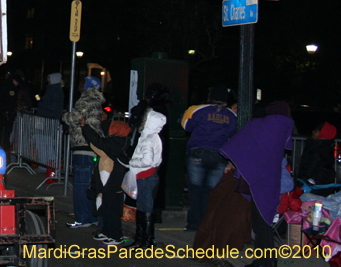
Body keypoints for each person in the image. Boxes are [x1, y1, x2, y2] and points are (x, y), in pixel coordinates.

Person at [221, 101, 293, 267]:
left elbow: (240, 143)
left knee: (261, 224)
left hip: (257, 179)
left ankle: (265, 263)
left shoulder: (259, 125)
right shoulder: (284, 127)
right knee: (264, 223)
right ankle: (264, 260)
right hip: (272, 180)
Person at [180, 85, 237, 231]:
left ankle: (194, 224)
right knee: (210, 192)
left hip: (197, 152)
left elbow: (186, 125)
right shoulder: (231, 115)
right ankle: (207, 225)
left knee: (195, 190)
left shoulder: (197, 109)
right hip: (219, 155)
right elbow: (233, 135)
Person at [80, 116, 131, 246]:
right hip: (108, 184)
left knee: (111, 211)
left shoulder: (114, 144)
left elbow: (97, 143)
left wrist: (86, 128)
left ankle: (115, 235)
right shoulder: (116, 142)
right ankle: (107, 232)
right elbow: (97, 143)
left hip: (112, 185)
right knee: (106, 209)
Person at [62, 76, 104, 228]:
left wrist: (64, 115)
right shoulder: (96, 101)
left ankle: (82, 218)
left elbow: (74, 118)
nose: (80, 85)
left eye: (82, 82)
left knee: (81, 185)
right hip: (91, 147)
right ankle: (92, 216)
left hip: (82, 146)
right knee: (90, 184)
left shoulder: (85, 100)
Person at [126, 109, 167, 248]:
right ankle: (142, 239)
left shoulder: (148, 139)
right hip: (146, 176)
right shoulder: (151, 136)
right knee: (143, 208)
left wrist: (132, 163)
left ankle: (146, 241)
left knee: (145, 208)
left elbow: (147, 161)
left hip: (146, 176)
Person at [298, 122, 337, 187]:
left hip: (314, 183)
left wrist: (304, 180)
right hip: (315, 181)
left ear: (323, 134)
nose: (313, 132)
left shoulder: (320, 148)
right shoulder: (319, 145)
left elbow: (312, 166)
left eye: (316, 131)